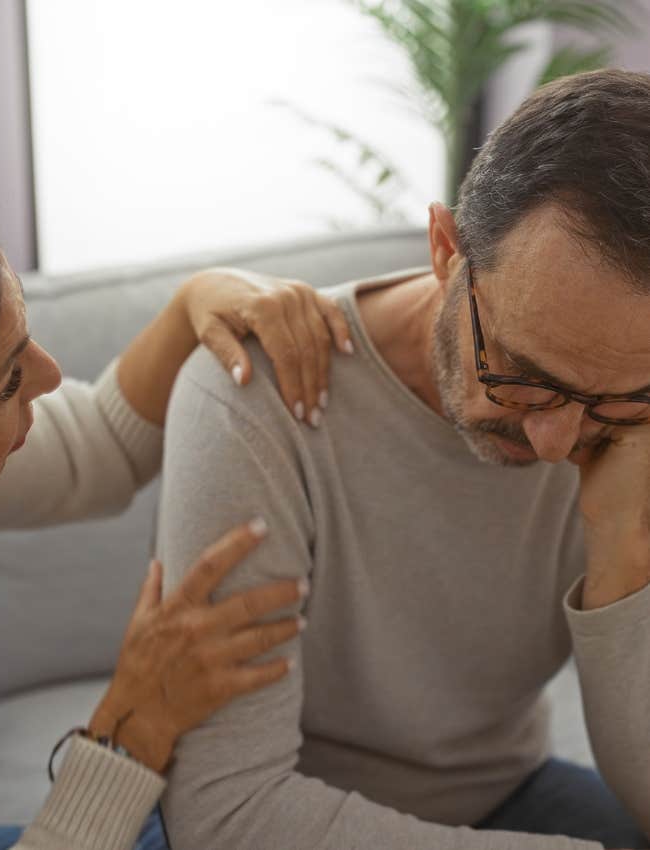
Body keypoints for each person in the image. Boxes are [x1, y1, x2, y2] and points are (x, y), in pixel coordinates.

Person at [0, 127, 356, 850]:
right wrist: (133, 728)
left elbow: (96, 443)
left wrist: (200, 296)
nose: (52, 374)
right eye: (9, 379)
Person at [155, 69, 650, 850]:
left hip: (508, 793)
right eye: (521, 374)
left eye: (610, 399)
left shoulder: (638, 404)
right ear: (446, 251)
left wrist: (622, 544)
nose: (554, 444)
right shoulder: (252, 398)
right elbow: (226, 814)